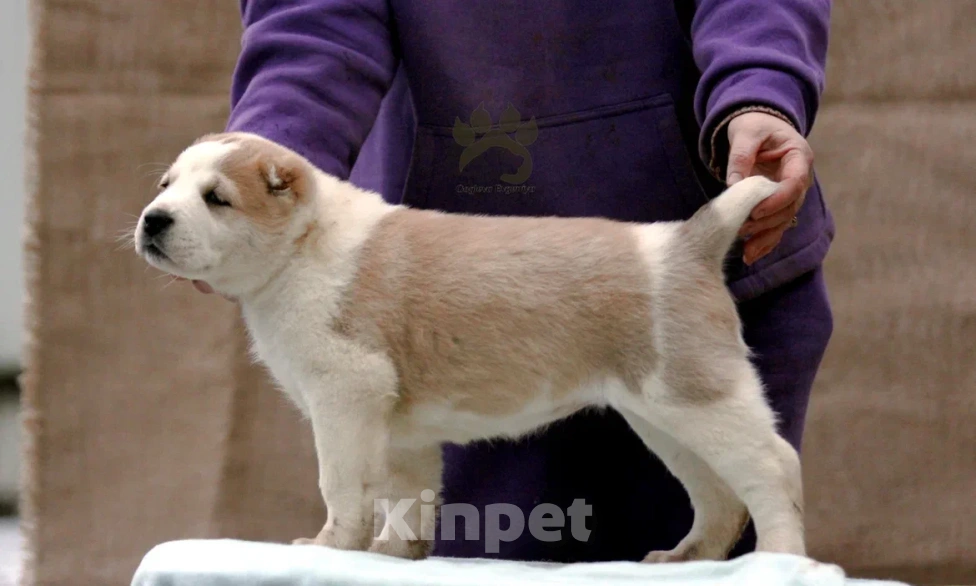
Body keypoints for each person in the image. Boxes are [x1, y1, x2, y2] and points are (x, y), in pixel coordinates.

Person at [194, 0, 834, 562]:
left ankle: (770, 532)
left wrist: (760, 87)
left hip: (676, 251)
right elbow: (313, 24)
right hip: (454, 299)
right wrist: (260, 169)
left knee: (707, 432)